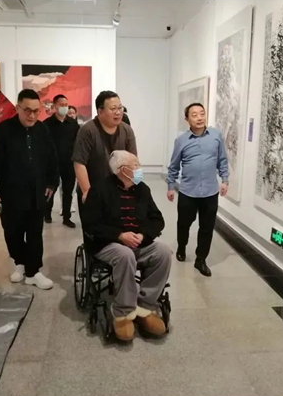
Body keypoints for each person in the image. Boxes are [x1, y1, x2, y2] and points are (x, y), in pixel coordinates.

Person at [74, 88, 172, 346]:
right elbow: (80, 164)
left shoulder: (140, 185)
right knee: (125, 254)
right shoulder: (88, 132)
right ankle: (123, 312)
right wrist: (119, 234)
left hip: (135, 235)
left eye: (120, 108)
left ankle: (145, 306)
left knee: (163, 252)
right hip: (110, 236)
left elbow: (157, 218)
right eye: (113, 108)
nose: (118, 112)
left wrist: (142, 233)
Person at [0, 96, 49, 283]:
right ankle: (20, 262)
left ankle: (33, 272)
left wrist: (52, 183)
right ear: (18, 108)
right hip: (10, 193)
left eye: (36, 111)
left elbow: (51, 157)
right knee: (12, 232)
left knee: (35, 233)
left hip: (37, 192)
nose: (32, 115)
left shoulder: (42, 129)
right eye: (28, 110)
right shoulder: (4, 130)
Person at [167, 96, 229, 281]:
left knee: (207, 227)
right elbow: (174, 165)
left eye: (202, 113)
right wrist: (170, 186)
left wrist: (225, 180)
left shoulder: (216, 136)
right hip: (188, 191)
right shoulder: (181, 140)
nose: (199, 117)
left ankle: (201, 259)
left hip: (210, 192)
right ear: (187, 119)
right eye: (194, 115)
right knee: (184, 224)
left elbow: (222, 160)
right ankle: (181, 247)